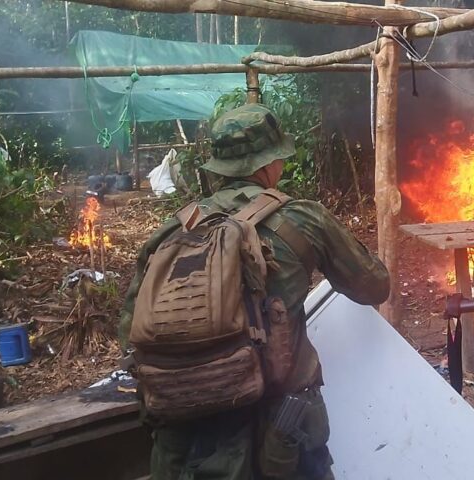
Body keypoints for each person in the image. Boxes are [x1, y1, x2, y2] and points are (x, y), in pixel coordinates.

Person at [120, 103, 390, 480]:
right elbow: (375, 286)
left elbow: (129, 332)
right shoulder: (301, 219)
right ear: (267, 165)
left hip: (184, 443)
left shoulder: (170, 233)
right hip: (279, 440)